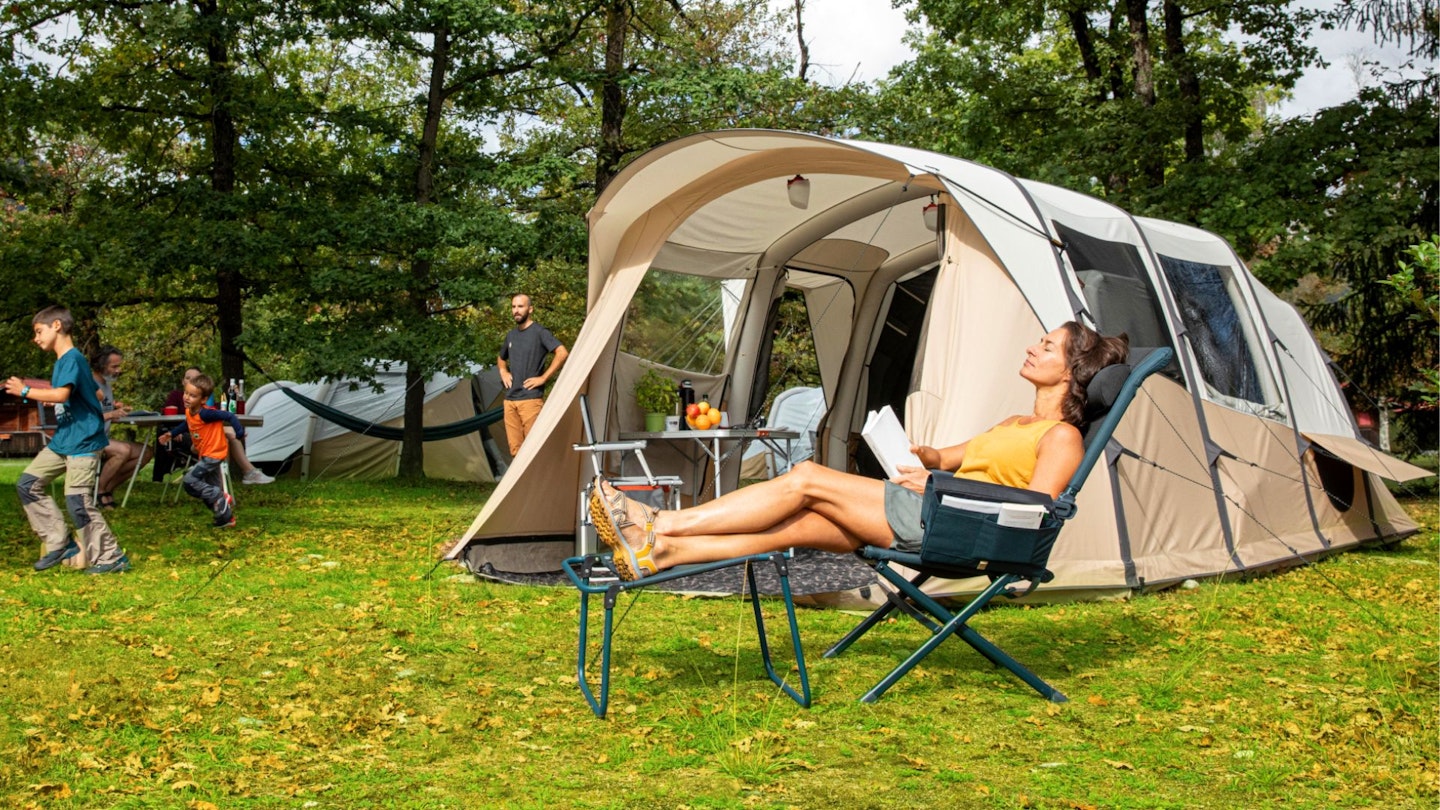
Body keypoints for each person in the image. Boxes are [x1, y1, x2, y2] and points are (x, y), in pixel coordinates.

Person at [589, 322, 1129, 581]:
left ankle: (659, 523)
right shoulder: (1015, 422)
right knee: (798, 526)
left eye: (1048, 346)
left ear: (1071, 370)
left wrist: (940, 486)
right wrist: (914, 452)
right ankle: (660, 554)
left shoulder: (1062, 437)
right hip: (934, 508)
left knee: (806, 477)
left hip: (957, 529)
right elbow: (943, 457)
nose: (1033, 346)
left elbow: (1036, 509)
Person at [3, 306, 129, 573]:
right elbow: (96, 394)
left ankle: (111, 558)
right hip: (65, 439)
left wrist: (24, 390)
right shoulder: (67, 361)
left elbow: (61, 395)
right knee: (27, 484)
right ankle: (59, 542)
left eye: (39, 331)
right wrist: (86, 400)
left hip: (83, 441)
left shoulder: (72, 358)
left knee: (77, 501)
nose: (36, 338)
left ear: (57, 326)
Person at [158, 366, 273, 485]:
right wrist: (173, 432)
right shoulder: (178, 396)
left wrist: (238, 431)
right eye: (188, 378)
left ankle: (228, 477)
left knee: (225, 434)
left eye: (196, 379)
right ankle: (234, 474)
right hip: (188, 439)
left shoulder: (205, 407)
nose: (191, 381)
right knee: (226, 435)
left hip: (205, 439)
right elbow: (179, 420)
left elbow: (225, 414)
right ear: (183, 381)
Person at [158, 373, 244, 528]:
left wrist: (239, 432)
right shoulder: (190, 411)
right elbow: (187, 424)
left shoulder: (206, 413)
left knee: (190, 482)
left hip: (213, 454)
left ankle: (220, 497)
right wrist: (171, 434)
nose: (187, 398)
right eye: (186, 393)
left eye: (192, 396)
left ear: (203, 400)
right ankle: (226, 518)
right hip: (206, 454)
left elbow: (229, 416)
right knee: (210, 489)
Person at [497, 292, 568, 456]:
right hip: (510, 400)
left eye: (520, 306)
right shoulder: (511, 335)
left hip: (530, 399)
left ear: (530, 309)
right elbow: (501, 358)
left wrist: (543, 378)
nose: (516, 310)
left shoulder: (540, 332)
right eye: (513, 307)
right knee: (516, 452)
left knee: (534, 451)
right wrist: (503, 371)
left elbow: (562, 352)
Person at [90, 347, 153, 507]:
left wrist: (117, 410)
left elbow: (103, 411)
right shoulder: (89, 385)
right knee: (123, 450)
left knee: (146, 452)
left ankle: (106, 488)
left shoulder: (106, 385)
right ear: (100, 365)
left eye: (119, 366)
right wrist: (111, 414)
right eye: (114, 366)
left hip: (103, 438)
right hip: (89, 438)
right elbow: (85, 419)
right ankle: (98, 492)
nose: (119, 370)